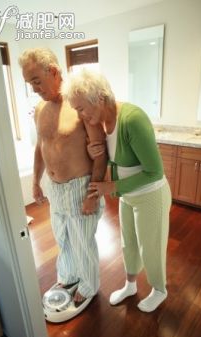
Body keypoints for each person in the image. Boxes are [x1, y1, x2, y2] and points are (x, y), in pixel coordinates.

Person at [63, 69, 172, 313]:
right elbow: (117, 159)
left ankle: (159, 290)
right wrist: (98, 156)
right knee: (128, 244)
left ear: (99, 99)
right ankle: (130, 285)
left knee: (151, 246)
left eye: (81, 108)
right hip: (128, 196)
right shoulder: (102, 122)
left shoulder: (132, 118)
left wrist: (112, 186)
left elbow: (154, 171)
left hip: (151, 195)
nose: (79, 115)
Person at [18, 49, 107, 313]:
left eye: (36, 80)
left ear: (53, 72)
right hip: (54, 188)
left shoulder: (80, 104)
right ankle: (68, 277)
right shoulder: (40, 109)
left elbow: (100, 153)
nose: (34, 89)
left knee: (83, 241)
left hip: (80, 186)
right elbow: (40, 147)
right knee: (63, 238)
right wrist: (36, 181)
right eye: (29, 83)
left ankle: (89, 285)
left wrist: (93, 195)